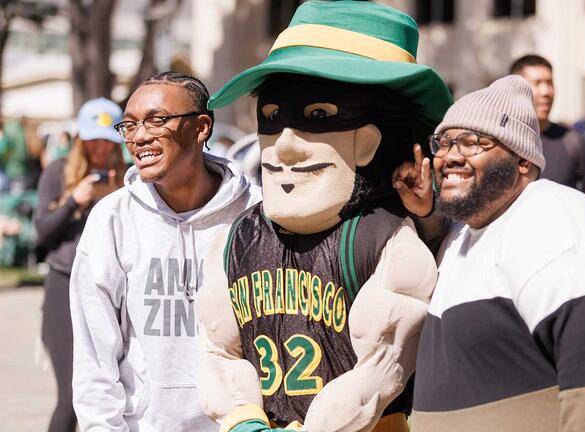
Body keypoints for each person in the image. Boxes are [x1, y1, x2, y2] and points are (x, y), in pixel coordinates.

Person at [195, 2, 453, 431]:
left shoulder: (381, 236)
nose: (285, 145)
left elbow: (382, 365)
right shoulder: (239, 237)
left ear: (371, 141)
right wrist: (242, 420)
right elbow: (217, 348)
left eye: (318, 118)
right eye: (272, 118)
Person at [392, 76, 585, 431]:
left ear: (523, 161)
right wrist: (428, 217)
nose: (449, 156)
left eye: (472, 142)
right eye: (443, 142)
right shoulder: (471, 232)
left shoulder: (560, 227)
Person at [69, 72, 261, 432]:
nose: (139, 136)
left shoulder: (257, 213)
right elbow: (95, 354)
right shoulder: (112, 219)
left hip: (242, 424)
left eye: (157, 120)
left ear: (201, 127)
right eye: (129, 125)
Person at [35, 97, 126, 432]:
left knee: (115, 394)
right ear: (81, 138)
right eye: (94, 139)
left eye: (108, 140)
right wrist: (75, 199)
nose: (100, 148)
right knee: (73, 395)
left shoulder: (128, 176)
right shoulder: (58, 172)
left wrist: (115, 198)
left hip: (113, 289)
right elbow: (42, 233)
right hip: (63, 284)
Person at [510, 54, 585, 212]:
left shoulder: (577, 144)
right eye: (537, 83)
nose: (546, 92)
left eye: (549, 83)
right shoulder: (498, 144)